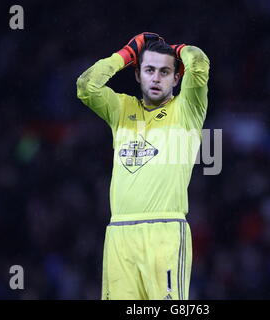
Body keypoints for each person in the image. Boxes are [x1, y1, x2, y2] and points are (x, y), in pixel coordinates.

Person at [76, 32, 210, 300]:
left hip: (165, 232)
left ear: (176, 78)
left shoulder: (187, 109)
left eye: (164, 71)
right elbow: (85, 86)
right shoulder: (121, 110)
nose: (156, 77)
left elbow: (199, 62)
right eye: (149, 70)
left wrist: (176, 48)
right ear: (138, 74)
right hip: (119, 234)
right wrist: (125, 54)